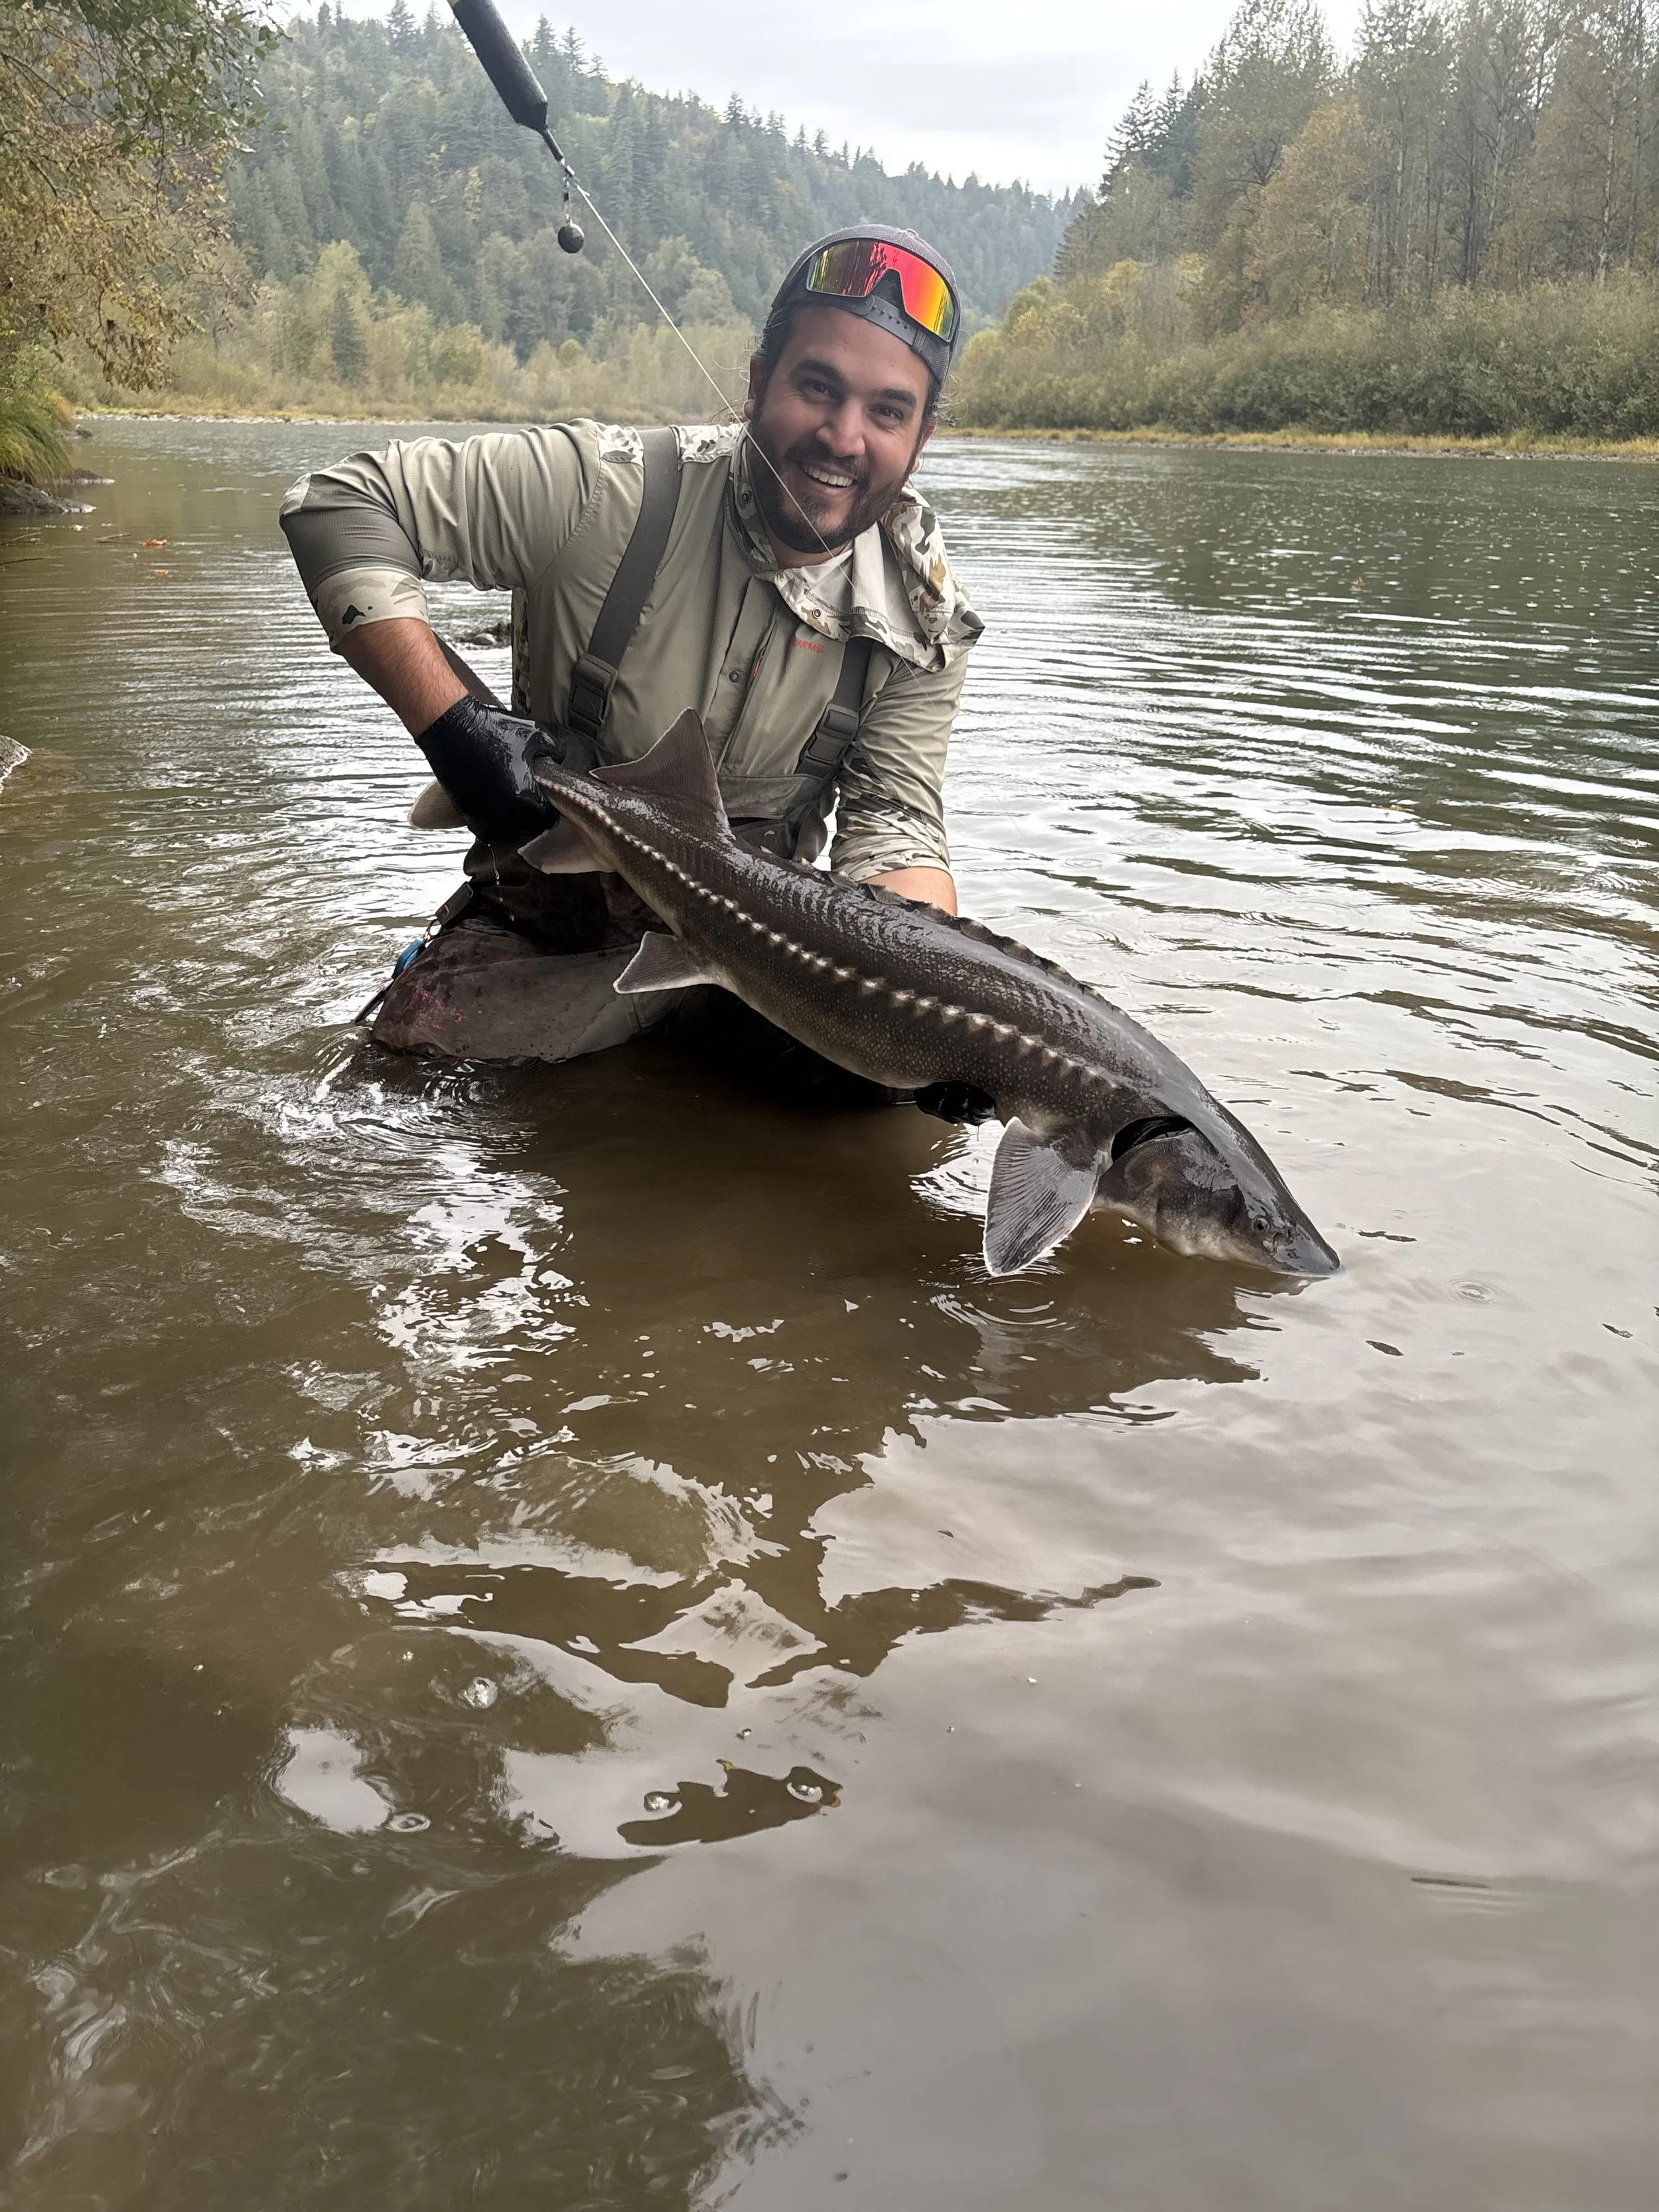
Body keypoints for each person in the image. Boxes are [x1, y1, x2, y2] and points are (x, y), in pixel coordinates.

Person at [280, 226, 983, 1073]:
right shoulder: (604, 491)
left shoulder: (921, 619)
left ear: (921, 439)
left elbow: (895, 829)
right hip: (546, 934)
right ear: (758, 383)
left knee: (899, 1093)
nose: (842, 436)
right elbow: (341, 505)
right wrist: (457, 730)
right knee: (396, 1097)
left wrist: (950, 1011)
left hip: (767, 964)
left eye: (886, 412)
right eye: (816, 387)